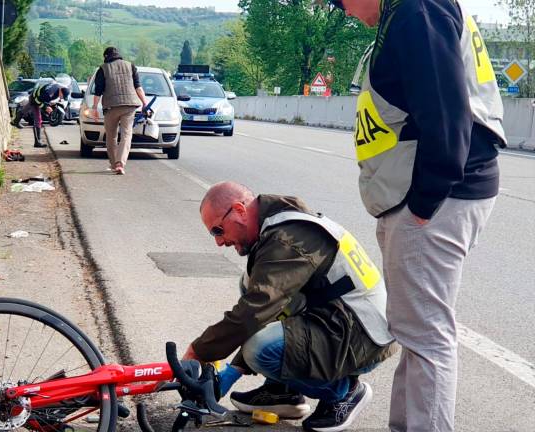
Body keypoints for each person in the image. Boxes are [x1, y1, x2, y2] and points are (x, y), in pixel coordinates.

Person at [328, 1, 506, 431]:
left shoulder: (417, 10)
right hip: (436, 195)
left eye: (339, 2)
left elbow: (446, 115)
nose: (345, 12)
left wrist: (424, 204)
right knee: (415, 332)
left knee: (427, 337)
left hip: (437, 199)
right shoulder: (411, 11)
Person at [183, 182, 397, 432]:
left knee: (259, 348)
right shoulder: (277, 227)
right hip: (340, 320)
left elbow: (253, 314)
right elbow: (267, 309)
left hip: (362, 335)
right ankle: (282, 391)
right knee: (251, 284)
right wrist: (229, 375)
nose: (219, 241)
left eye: (218, 230)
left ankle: (343, 393)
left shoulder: (289, 238)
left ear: (240, 210)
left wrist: (197, 352)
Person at [91, 47, 149, 175]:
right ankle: (120, 163)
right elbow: (138, 87)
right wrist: (145, 103)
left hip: (111, 107)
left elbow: (98, 91)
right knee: (126, 135)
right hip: (129, 105)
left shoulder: (103, 68)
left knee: (111, 136)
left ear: (106, 56)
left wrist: (94, 108)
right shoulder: (130, 66)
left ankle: (114, 164)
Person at [11, 81, 68, 148]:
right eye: (62, 96)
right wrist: (45, 107)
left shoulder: (57, 89)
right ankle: (37, 142)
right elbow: (38, 100)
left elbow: (46, 99)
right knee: (38, 119)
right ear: (60, 91)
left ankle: (15, 121)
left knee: (25, 109)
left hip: (36, 97)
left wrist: (49, 104)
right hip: (35, 98)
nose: (62, 98)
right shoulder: (50, 92)